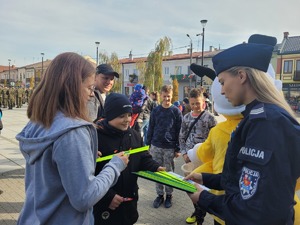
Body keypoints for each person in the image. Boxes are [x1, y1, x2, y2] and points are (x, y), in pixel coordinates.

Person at [186, 35, 300, 225]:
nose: (221, 91)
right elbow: (244, 179)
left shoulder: (265, 124)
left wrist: (203, 199)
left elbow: (252, 207)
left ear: (241, 76)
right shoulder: (260, 117)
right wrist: (205, 178)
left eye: (222, 82)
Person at [15, 52, 129, 225]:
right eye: (90, 88)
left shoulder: (38, 122)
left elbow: (53, 170)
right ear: (72, 87)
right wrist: (114, 166)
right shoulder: (73, 132)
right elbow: (84, 197)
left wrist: (83, 156)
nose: (92, 95)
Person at [93, 93, 164, 225]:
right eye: (121, 116)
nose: (127, 119)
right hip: (105, 206)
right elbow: (89, 175)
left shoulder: (134, 135)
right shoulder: (96, 138)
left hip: (129, 203)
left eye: (129, 115)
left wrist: (155, 167)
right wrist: (107, 197)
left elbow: (143, 157)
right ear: (109, 115)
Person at [179, 87, 217, 225]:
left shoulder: (210, 118)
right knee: (191, 187)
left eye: (198, 103)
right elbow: (181, 137)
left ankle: (200, 218)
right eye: (193, 103)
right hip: (190, 160)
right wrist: (184, 153)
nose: (195, 106)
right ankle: (197, 211)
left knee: (203, 188)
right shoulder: (186, 118)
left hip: (205, 160)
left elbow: (215, 140)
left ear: (204, 102)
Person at [147, 84, 182, 209]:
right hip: (156, 146)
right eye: (165, 96)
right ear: (161, 95)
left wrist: (178, 148)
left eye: (169, 96)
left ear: (172, 96)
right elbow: (150, 128)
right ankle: (160, 195)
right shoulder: (156, 111)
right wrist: (148, 144)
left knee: (169, 172)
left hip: (169, 147)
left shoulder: (176, 111)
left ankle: (169, 195)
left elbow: (179, 131)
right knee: (157, 172)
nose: (167, 99)